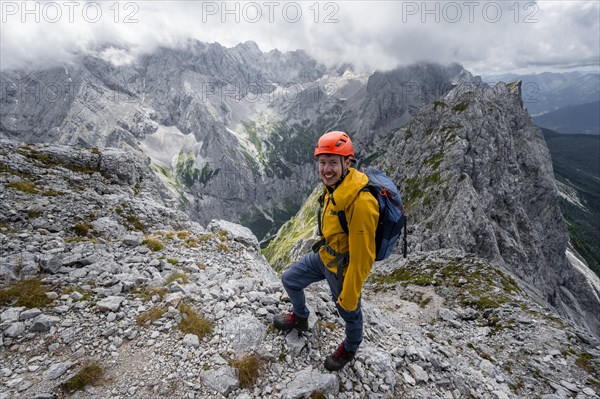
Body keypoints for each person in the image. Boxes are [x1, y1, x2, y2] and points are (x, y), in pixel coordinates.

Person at [273, 131, 379, 371]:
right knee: (290, 278)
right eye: (322, 162)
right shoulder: (334, 187)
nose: (326, 169)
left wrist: (350, 294)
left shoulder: (361, 202)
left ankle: (351, 346)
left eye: (333, 162)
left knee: (348, 311)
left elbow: (363, 257)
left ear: (347, 162)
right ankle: (300, 318)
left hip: (343, 267)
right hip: (325, 255)